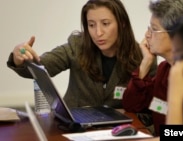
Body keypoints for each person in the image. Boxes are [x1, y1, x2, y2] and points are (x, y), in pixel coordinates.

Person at [7, 0, 148, 109]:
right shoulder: (77, 46)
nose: (98, 32)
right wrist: (19, 58)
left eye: (105, 23)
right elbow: (40, 68)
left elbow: (148, 108)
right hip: (75, 127)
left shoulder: (141, 57)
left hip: (119, 130)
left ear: (122, 23)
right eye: (91, 25)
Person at [122, 0, 183, 136]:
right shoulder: (164, 69)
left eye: (153, 29)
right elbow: (132, 105)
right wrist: (146, 63)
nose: (147, 35)